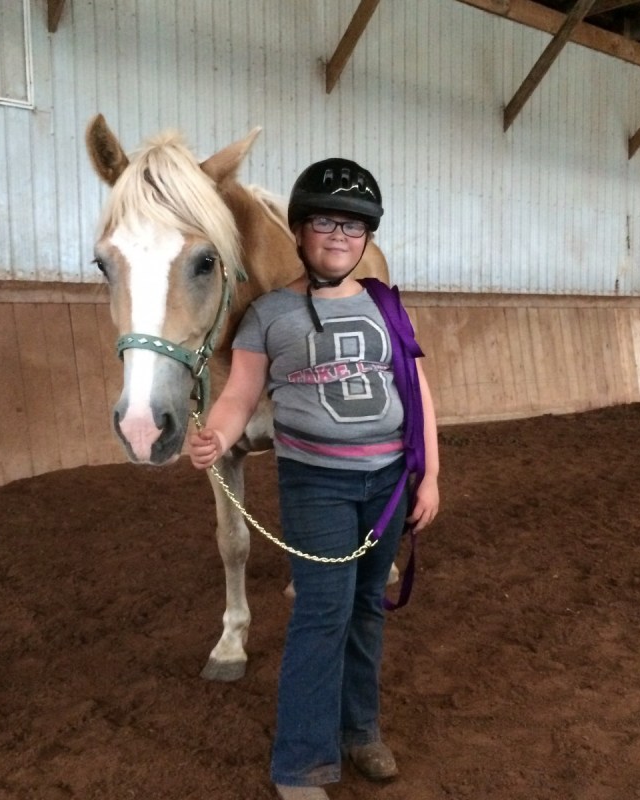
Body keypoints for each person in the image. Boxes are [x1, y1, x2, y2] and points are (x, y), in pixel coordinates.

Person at [188, 158, 440, 800]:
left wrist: (429, 475)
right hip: (318, 486)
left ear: (367, 240)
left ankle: (361, 731)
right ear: (299, 232)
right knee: (321, 615)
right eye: (325, 222)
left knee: (367, 610)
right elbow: (241, 393)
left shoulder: (386, 304)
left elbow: (417, 392)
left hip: (387, 485)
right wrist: (216, 433)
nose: (339, 236)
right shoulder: (269, 314)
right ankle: (300, 763)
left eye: (353, 227)